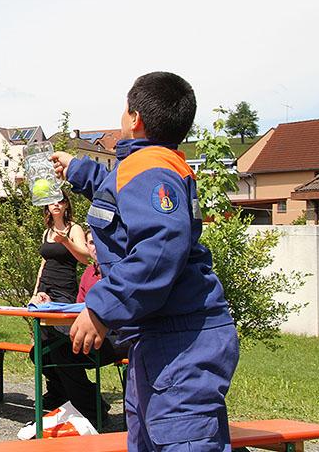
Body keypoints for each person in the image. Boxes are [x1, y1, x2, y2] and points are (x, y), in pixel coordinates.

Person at [53, 71, 240, 451]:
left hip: (180, 339)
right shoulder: (148, 166)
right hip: (160, 335)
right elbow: (121, 197)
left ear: (135, 118)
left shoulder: (151, 170)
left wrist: (102, 308)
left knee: (182, 441)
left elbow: (161, 247)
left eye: (124, 109)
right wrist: (78, 169)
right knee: (148, 438)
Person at [27, 196, 114, 424]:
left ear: (66, 205)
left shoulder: (74, 229)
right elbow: (44, 263)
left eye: (60, 201)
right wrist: (35, 291)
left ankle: (84, 402)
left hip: (64, 290)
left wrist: (66, 241)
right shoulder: (47, 231)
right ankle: (59, 393)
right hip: (45, 291)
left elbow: (86, 257)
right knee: (42, 348)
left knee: (58, 346)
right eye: (52, 202)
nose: (56, 205)